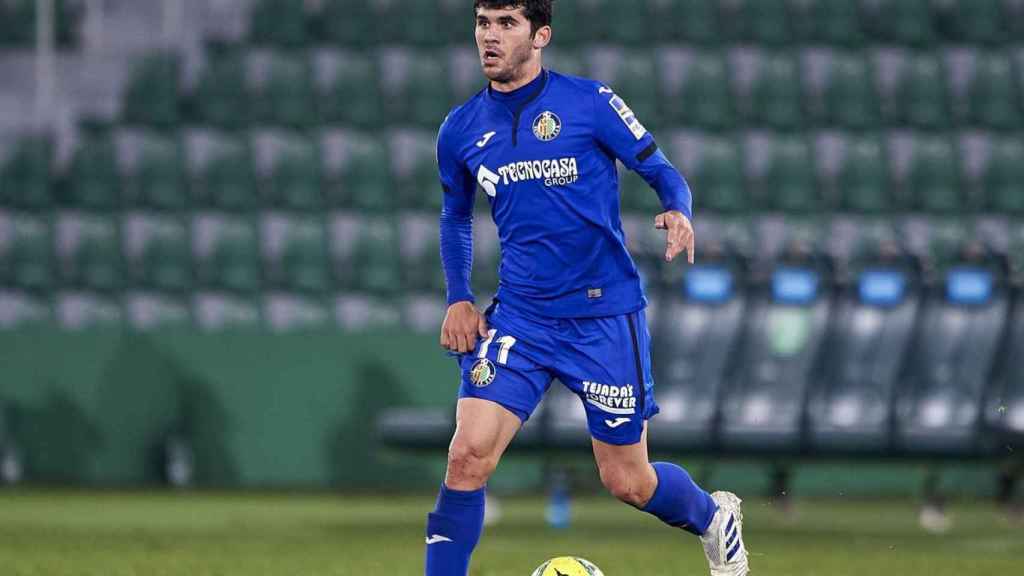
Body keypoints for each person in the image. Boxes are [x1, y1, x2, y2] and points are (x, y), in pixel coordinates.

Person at [426, 1, 749, 575]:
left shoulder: (591, 104)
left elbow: (662, 170)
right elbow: (455, 215)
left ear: (540, 35)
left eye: (507, 24)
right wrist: (457, 295)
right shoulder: (461, 128)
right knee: (467, 456)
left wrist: (678, 210)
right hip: (521, 317)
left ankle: (712, 516)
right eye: (482, 23)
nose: (490, 37)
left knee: (627, 480)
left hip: (603, 317)